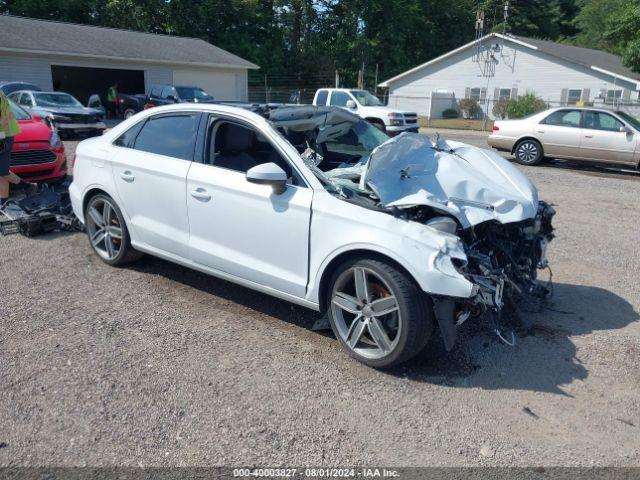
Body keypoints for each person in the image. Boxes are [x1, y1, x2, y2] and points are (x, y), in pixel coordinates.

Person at [0, 91, 37, 207]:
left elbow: (2, 119)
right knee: (2, 172)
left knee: (2, 171)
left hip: (3, 136)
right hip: (5, 135)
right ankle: (4, 201)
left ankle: (28, 186)